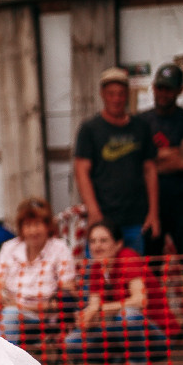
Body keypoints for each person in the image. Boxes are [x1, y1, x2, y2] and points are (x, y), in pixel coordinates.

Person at [64, 220, 169, 365]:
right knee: (72, 342)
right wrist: (85, 318)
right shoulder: (95, 268)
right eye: (93, 241)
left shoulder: (128, 257)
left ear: (118, 243)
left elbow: (140, 300)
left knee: (128, 315)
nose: (97, 246)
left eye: (103, 240)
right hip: (118, 327)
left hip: (156, 333)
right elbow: (94, 307)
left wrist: (99, 309)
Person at [74, 66, 159, 255]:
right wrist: (94, 212)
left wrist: (153, 212)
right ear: (102, 94)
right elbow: (81, 171)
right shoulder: (90, 129)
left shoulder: (141, 127)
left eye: (121, 94)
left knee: (133, 268)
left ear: (127, 94)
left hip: (136, 218)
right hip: (103, 218)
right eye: (111, 94)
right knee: (99, 269)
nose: (116, 99)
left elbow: (150, 169)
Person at [0, 197, 77, 348]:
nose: (33, 231)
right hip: (9, 305)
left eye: (37, 224)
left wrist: (19, 306)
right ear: (21, 228)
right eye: (27, 225)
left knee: (11, 314)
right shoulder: (9, 248)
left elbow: (66, 299)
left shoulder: (60, 248)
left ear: (47, 226)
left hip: (42, 315)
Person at [138, 63, 183, 255]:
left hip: (182, 205)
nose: (163, 93)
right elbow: (137, 163)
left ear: (180, 90)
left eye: (169, 89)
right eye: (160, 88)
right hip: (149, 206)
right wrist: (172, 154)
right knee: (151, 263)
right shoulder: (140, 122)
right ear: (153, 87)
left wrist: (151, 160)